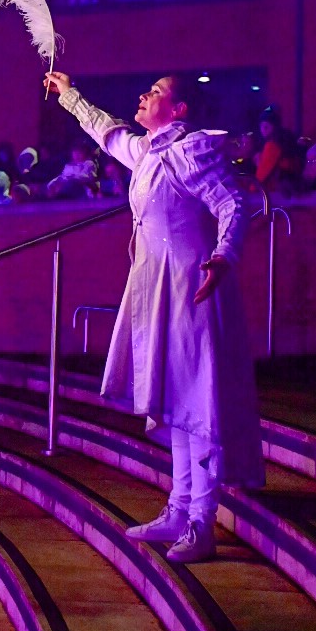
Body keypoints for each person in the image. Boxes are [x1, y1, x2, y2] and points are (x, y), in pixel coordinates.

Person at [44, 70, 264, 563]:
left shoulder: (190, 152)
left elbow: (233, 204)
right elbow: (106, 129)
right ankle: (179, 507)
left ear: (179, 110)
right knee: (175, 400)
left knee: (197, 402)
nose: (144, 96)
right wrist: (69, 95)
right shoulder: (148, 153)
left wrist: (224, 257)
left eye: (157, 92)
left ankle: (201, 523)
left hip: (191, 286)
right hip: (155, 287)